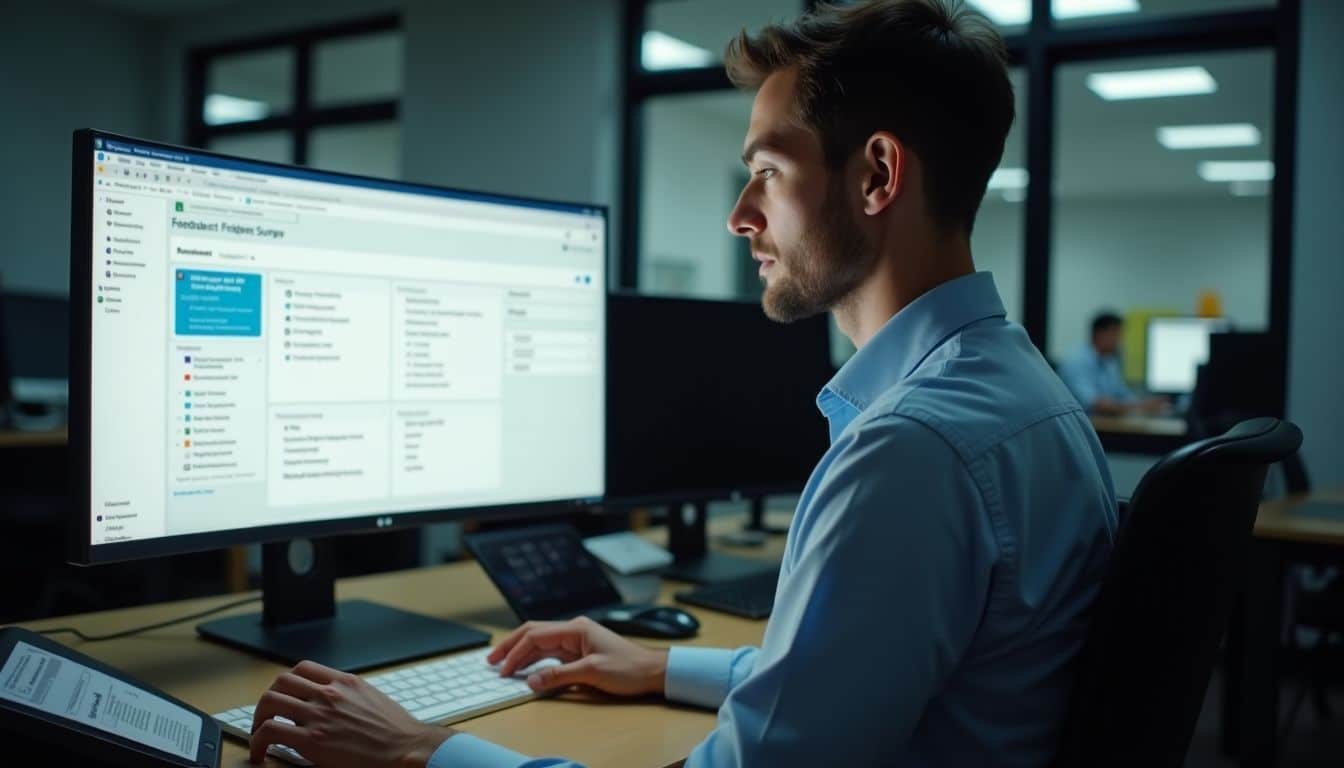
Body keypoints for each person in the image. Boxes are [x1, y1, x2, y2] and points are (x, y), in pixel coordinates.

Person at [247, 1, 1118, 765]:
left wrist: (417, 747)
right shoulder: (1021, 395)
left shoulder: (912, 452)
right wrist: (662, 663)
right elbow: (857, 678)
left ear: (877, 175)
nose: (741, 214)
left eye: (769, 173)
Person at [1059, 312, 1167, 416]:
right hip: (1085, 427)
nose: (1120, 341)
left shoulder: (1109, 361)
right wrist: (1140, 407)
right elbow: (1096, 404)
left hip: (1105, 423)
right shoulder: (1076, 362)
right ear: (1100, 334)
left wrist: (1144, 403)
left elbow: (1123, 394)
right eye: (1117, 335)